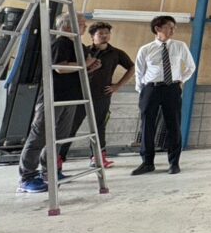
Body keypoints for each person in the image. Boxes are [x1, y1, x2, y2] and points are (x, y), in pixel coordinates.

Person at [17, 12, 92, 194]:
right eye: (81, 22)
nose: (85, 26)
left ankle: (48, 172)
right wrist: (85, 64)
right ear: (67, 25)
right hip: (53, 97)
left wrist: (89, 67)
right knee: (39, 137)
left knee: (59, 137)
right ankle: (26, 177)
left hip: (72, 97)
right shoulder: (60, 43)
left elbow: (77, 70)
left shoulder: (79, 46)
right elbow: (60, 68)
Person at [58, 21, 134, 169]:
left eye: (107, 33)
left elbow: (131, 67)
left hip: (102, 96)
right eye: (100, 33)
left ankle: (98, 157)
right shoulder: (84, 51)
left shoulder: (116, 53)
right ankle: (59, 157)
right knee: (71, 126)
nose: (104, 36)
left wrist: (117, 86)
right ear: (92, 36)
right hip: (81, 95)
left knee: (99, 127)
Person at [132, 15, 195, 176]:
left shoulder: (180, 46)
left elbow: (191, 67)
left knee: (173, 125)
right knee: (147, 125)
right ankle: (147, 162)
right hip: (151, 89)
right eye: (169, 27)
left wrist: (181, 80)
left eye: (174, 27)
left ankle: (174, 163)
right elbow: (139, 72)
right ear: (157, 29)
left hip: (171, 88)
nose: (173, 30)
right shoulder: (146, 49)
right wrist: (142, 91)